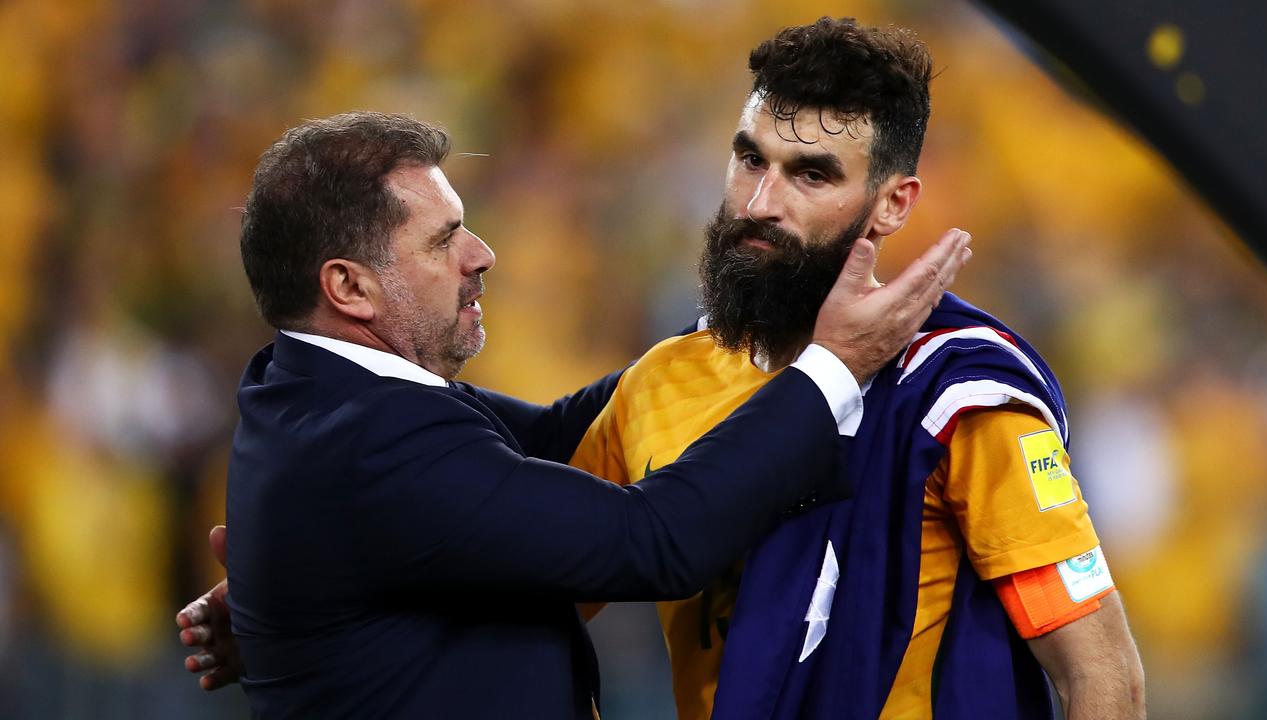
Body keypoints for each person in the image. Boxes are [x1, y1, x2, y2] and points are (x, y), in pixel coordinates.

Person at [185, 110, 969, 719]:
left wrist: (758, 316)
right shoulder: (374, 444)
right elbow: (653, 541)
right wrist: (834, 366)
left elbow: (567, 434)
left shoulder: (312, 393)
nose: (481, 254)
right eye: (444, 240)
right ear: (348, 288)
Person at [565, 18, 1145, 720]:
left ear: (893, 203)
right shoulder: (658, 382)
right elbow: (540, 611)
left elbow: (1102, 675)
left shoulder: (959, 397)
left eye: (811, 175)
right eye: (751, 160)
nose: (760, 204)